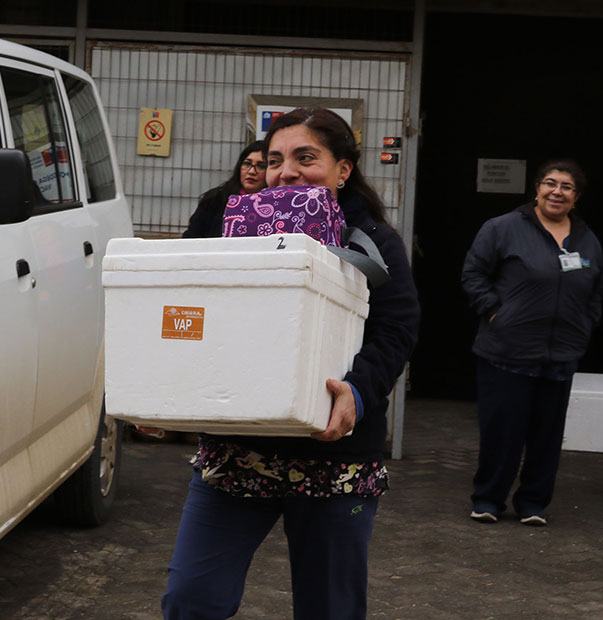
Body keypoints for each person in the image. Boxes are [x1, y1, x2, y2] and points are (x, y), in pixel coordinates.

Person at [161, 108, 420, 620]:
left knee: (330, 608)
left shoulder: (371, 242)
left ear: (343, 169)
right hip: (239, 450)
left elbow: (397, 328)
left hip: (334, 453)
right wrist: (169, 388)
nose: (287, 171)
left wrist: (358, 392)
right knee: (192, 598)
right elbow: (184, 304)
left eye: (307, 157)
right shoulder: (229, 227)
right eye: (275, 159)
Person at [461, 159, 603, 526]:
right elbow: (474, 273)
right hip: (506, 350)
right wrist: (495, 312)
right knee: (502, 431)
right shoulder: (503, 228)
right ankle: (489, 499)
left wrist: (584, 328)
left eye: (567, 187)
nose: (557, 191)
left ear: (577, 196)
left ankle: (533, 503)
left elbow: (595, 292)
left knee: (547, 435)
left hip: (560, 354)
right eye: (550, 183)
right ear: (536, 190)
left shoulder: (587, 239)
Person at [181, 140, 267, 238]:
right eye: (247, 164)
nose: (251, 171)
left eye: (261, 166)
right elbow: (190, 239)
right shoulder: (215, 200)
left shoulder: (275, 205)